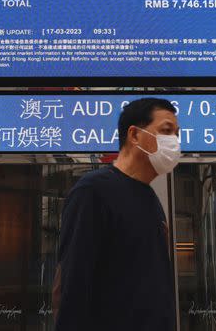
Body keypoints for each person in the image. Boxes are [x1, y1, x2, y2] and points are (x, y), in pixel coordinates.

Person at [53, 98, 181, 331]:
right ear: (134, 135)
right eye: (166, 131)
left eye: (176, 134)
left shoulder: (151, 199)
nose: (174, 141)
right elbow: (73, 287)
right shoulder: (93, 191)